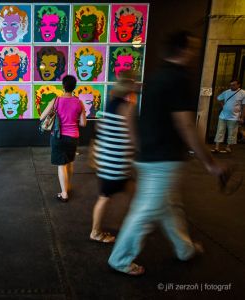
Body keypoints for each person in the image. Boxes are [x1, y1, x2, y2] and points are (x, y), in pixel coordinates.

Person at [108, 31, 226, 276]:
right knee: (147, 210)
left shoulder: (155, 78)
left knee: (170, 207)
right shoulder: (178, 80)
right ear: (183, 51)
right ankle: (119, 259)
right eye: (192, 48)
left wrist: (139, 145)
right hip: (163, 159)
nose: (193, 52)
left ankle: (185, 249)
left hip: (148, 156)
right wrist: (210, 162)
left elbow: (134, 115)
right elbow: (185, 125)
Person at [90, 74, 138, 243]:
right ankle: (96, 231)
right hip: (117, 162)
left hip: (106, 159)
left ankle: (125, 223)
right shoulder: (126, 108)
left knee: (126, 191)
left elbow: (99, 129)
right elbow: (132, 136)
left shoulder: (108, 106)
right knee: (106, 196)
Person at [40, 75, 87, 202]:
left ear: (63, 86)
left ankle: (64, 193)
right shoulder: (79, 102)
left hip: (58, 136)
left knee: (61, 165)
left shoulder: (56, 101)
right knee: (70, 162)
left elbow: (41, 117)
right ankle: (68, 185)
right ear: (74, 87)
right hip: (73, 137)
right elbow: (83, 123)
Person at [211, 79, 245, 153]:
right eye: (230, 85)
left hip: (234, 117)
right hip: (223, 116)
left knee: (232, 132)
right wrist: (223, 105)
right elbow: (219, 98)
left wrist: (242, 117)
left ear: (238, 85)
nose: (231, 86)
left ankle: (228, 147)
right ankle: (217, 147)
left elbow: (243, 106)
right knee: (220, 131)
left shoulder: (243, 93)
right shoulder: (226, 92)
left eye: (234, 85)